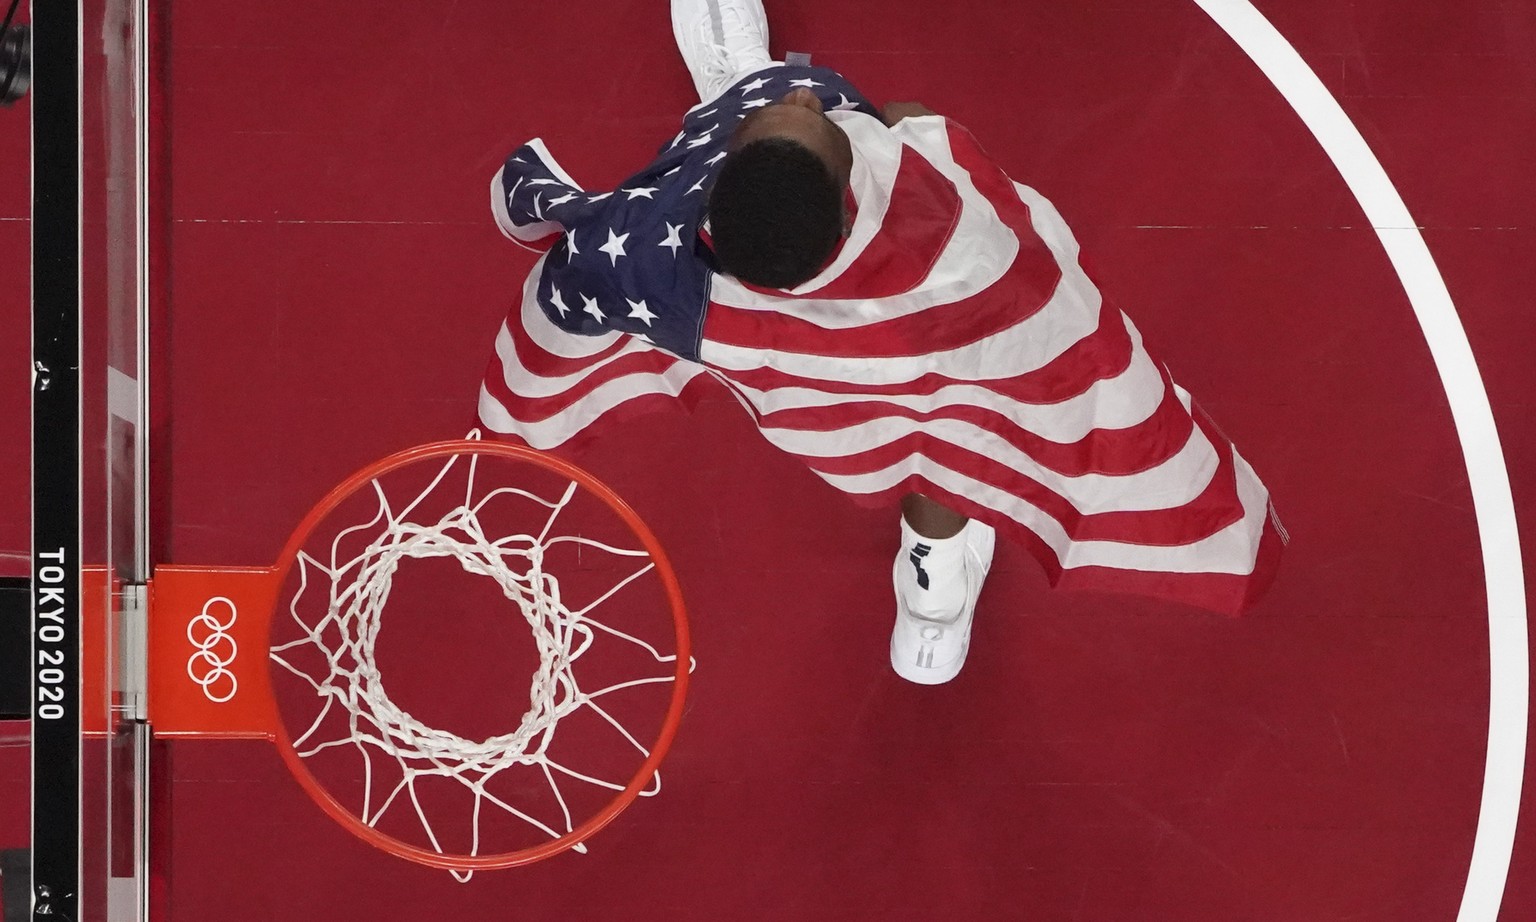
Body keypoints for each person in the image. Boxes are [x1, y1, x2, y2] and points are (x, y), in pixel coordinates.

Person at [480, 0, 1284, 684]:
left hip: (790, 378)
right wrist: (858, 128)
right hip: (929, 349)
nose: (803, 92)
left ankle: (736, 87)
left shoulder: (664, 258)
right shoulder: (953, 234)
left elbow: (582, 265)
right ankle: (933, 594)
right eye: (804, 115)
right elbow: (912, 131)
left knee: (927, 421)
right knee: (962, 430)